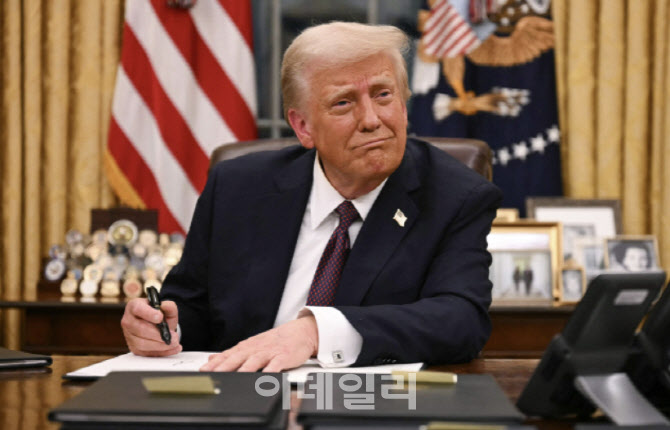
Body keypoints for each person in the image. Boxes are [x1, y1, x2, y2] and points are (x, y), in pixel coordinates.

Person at [121, 22, 502, 372]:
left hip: (372, 404)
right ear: (303, 127)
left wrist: (317, 331)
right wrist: (162, 328)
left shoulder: (455, 197)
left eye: (383, 95)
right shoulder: (238, 187)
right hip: (241, 397)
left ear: (403, 105)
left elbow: (461, 320)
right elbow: (190, 305)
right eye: (344, 102)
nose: (372, 119)